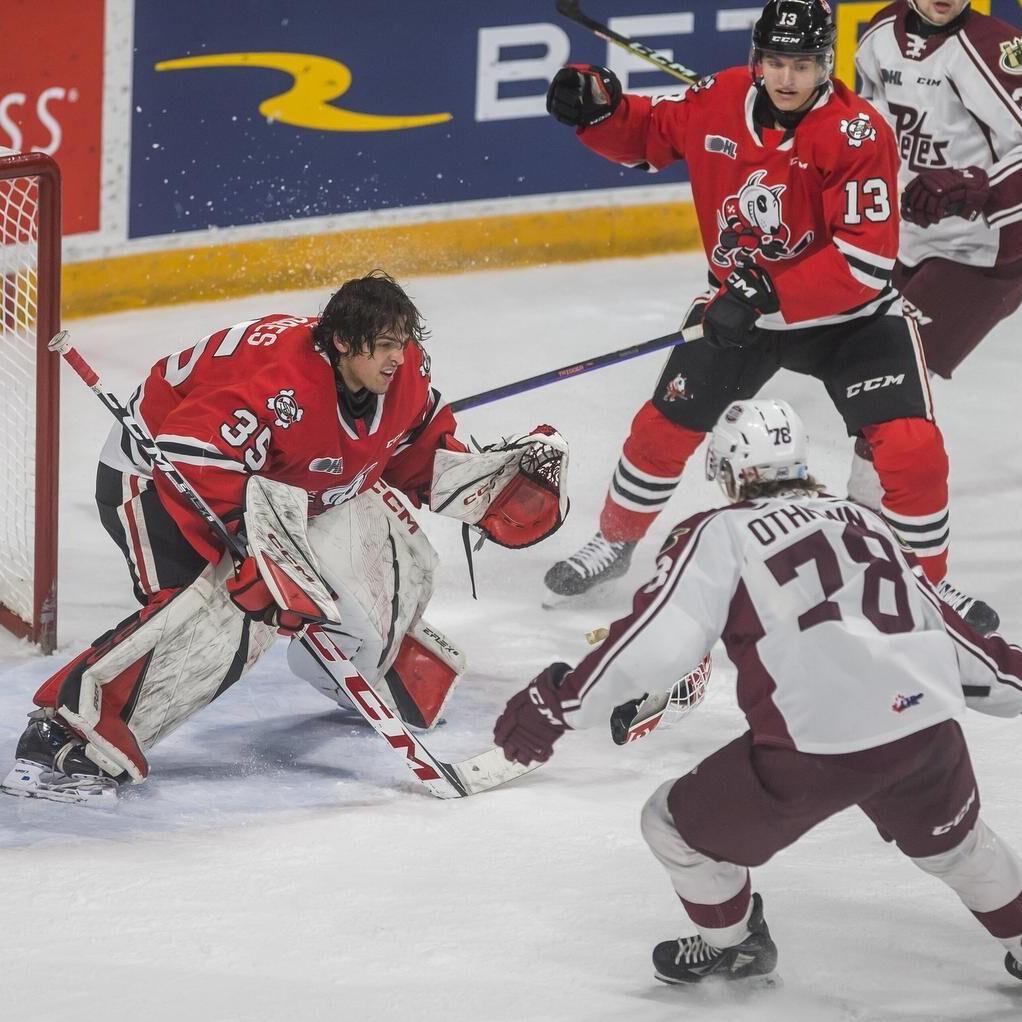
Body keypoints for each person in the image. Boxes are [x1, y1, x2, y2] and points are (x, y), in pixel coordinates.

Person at [495, 397, 1022, 987]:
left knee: (670, 823)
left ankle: (734, 943)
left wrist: (563, 703)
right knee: (962, 850)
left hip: (812, 747)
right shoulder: (868, 522)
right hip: (924, 733)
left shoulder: (721, 532)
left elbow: (659, 644)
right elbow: (964, 653)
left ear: (725, 470)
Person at [2, 270, 569, 805]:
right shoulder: (277, 384)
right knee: (220, 613)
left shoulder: (404, 372)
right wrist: (263, 556)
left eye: (404, 341)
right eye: (385, 345)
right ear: (344, 342)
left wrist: (486, 488)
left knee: (393, 545)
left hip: (281, 482)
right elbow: (190, 456)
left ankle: (359, 663)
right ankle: (62, 741)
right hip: (158, 479)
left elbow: (409, 448)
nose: (399, 357)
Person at [540, 0, 966, 622]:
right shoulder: (718, 98)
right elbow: (649, 137)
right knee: (665, 424)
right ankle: (616, 539)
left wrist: (767, 291)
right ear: (756, 60)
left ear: (825, 65)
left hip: (853, 318)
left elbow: (866, 263)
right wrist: (600, 113)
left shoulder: (858, 132)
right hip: (744, 309)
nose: (787, 78)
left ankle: (921, 585)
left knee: (911, 447)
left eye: (801, 64)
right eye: (775, 62)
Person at [848, 0, 1022, 557]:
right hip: (907, 238)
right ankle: (869, 524)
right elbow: (863, 126)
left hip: (988, 254)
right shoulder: (877, 32)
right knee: (862, 362)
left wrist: (976, 187)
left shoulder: (996, 48)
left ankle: (872, 531)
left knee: (892, 372)